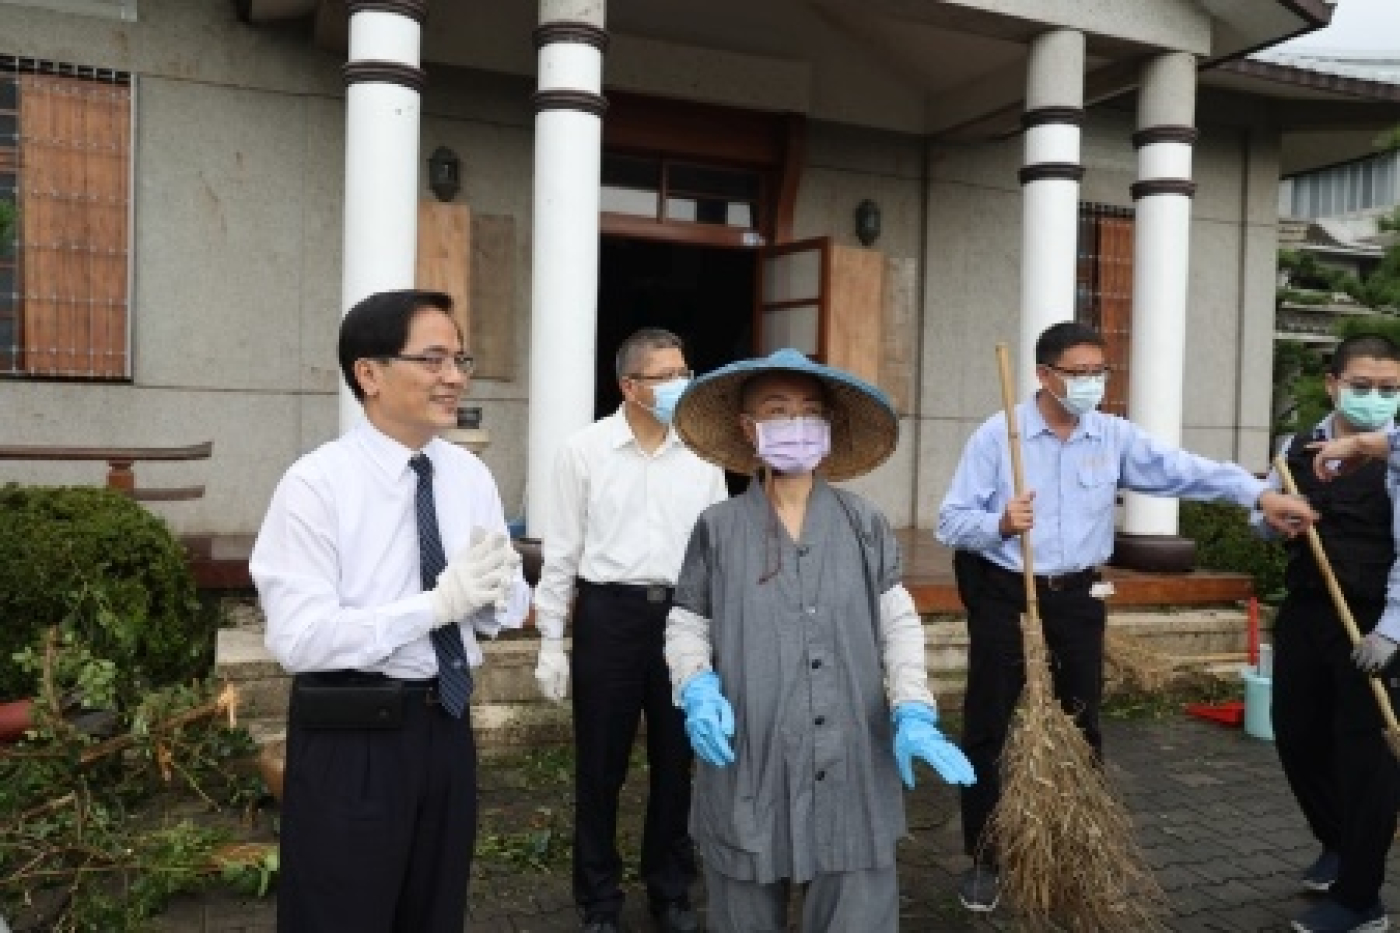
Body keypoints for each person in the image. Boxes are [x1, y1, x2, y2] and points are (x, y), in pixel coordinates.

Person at [937, 321, 1318, 914]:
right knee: (988, 728)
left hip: (1078, 600)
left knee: (1081, 725)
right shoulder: (1000, 436)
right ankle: (985, 858)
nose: (1092, 384)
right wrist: (1000, 523)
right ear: (1044, 375)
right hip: (1008, 597)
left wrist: (1258, 494)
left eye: (1100, 373)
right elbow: (951, 521)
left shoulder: (1111, 436)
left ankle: (1074, 847)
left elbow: (1182, 470)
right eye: (1079, 373)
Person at [663, 348, 975, 933]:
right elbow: (688, 619)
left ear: (828, 429)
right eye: (777, 411)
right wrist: (697, 686)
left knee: (857, 904)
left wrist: (913, 709)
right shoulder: (719, 528)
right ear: (748, 428)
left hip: (852, 753)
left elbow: (897, 620)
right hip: (750, 750)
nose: (795, 424)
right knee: (742, 909)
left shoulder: (864, 523)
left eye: (809, 411)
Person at [250, 289, 529, 933]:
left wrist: (497, 594)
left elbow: (497, 607)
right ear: (368, 374)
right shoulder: (316, 485)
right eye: (432, 360)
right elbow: (301, 639)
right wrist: (436, 605)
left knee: (434, 910)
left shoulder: (467, 475)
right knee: (341, 912)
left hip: (447, 723)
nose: (454, 377)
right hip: (355, 734)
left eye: (460, 359)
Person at [532, 328, 728, 933]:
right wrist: (549, 641)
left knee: (678, 762)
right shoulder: (584, 451)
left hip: (683, 618)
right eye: (666, 376)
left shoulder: (704, 451)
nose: (680, 386)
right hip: (608, 617)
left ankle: (669, 890)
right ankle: (598, 900)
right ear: (630, 386)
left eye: (685, 372)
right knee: (600, 766)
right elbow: (561, 551)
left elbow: (716, 549)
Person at [1284, 337, 1400, 933]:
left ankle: (1362, 899)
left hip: (1378, 619)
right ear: (1332, 383)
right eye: (1362, 386)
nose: (1375, 399)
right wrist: (1272, 519)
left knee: (1366, 758)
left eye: (1389, 390)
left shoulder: (1397, 453)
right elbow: (1266, 516)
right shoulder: (1295, 444)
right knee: (1297, 734)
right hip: (1309, 607)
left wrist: (1392, 629)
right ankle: (1337, 841)